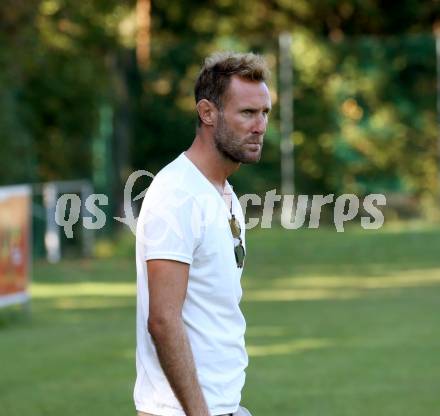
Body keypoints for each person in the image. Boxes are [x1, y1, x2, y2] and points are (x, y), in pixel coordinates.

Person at [134, 51, 271, 416]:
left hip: (224, 406)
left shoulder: (225, 193)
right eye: (247, 113)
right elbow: (162, 319)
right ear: (207, 112)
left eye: (264, 113)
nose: (259, 126)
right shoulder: (177, 193)